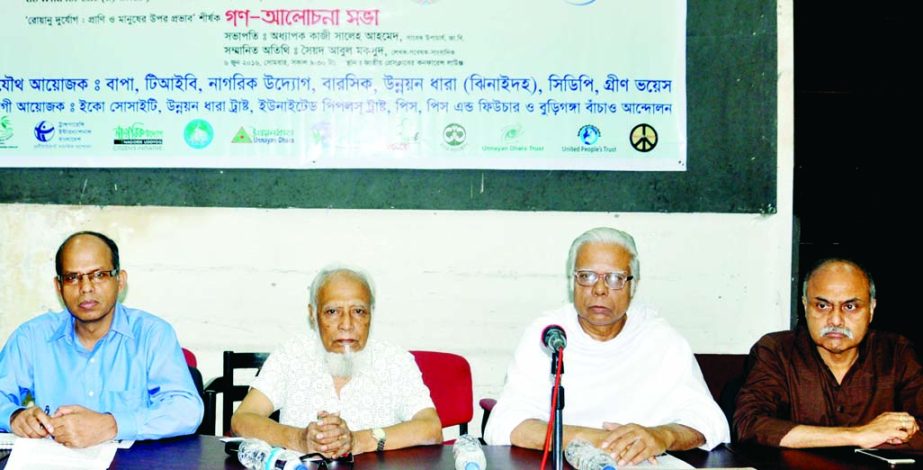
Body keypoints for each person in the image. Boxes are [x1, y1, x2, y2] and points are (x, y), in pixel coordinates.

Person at [484, 227, 730, 466]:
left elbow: (709, 421)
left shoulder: (659, 338)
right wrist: (603, 440)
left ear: (633, 285)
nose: (599, 289)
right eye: (587, 276)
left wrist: (661, 436)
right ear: (573, 281)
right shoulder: (550, 335)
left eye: (615, 279)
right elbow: (505, 423)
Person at [0, 231, 203, 447]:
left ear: (120, 280)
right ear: (59, 287)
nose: (86, 287)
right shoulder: (31, 337)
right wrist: (14, 417)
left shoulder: (152, 334)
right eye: (72, 278)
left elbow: (187, 409)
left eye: (98, 275)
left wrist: (112, 425)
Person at [231, 266, 442, 457]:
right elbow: (242, 420)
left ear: (371, 314)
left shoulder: (395, 361)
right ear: (313, 315)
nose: (347, 324)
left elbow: (431, 428)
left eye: (358, 311)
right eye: (332, 312)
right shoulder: (291, 355)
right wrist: (299, 440)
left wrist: (359, 440)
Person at [734, 258, 923, 449]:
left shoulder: (897, 353)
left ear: (871, 309)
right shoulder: (777, 350)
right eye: (822, 306)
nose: (835, 320)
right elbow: (749, 425)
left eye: (850, 307)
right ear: (805, 306)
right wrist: (858, 435)